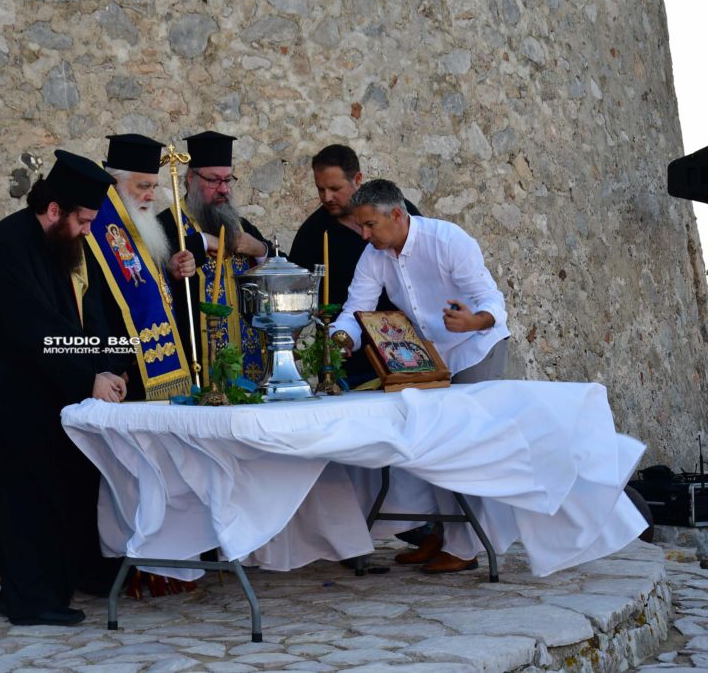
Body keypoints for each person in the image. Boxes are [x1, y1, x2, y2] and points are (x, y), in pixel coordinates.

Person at [0, 150, 128, 626]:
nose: (89, 231)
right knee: (25, 496)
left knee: (55, 489)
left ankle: (57, 587)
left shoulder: (50, 243)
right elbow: (35, 331)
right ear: (55, 211)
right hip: (2, 396)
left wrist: (107, 365)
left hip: (37, 391)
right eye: (85, 221)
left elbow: (71, 322)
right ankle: (29, 601)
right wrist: (87, 377)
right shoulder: (6, 249)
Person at [331, 179, 510, 573]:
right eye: (360, 226)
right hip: (428, 359)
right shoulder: (374, 254)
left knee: (461, 446)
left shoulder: (448, 240)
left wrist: (472, 321)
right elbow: (356, 309)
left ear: (397, 215)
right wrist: (341, 338)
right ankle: (439, 533)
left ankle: (464, 549)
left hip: (475, 348)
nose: (364, 234)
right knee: (429, 444)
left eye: (370, 225)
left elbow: (492, 301)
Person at [288, 144, 421, 386]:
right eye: (321, 189)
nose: (327, 197)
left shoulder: (398, 212)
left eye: (335, 188)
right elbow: (297, 300)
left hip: (408, 352)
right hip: (349, 360)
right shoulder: (312, 234)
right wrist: (286, 354)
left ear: (358, 179)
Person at [156, 131, 272, 385]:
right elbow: (162, 272)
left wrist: (260, 249)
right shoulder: (166, 224)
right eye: (214, 181)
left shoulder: (242, 227)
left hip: (251, 372)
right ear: (191, 179)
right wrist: (204, 241)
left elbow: (281, 268)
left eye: (228, 180)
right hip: (196, 368)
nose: (223, 189)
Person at [91, 134, 195, 401]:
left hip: (139, 371)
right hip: (117, 375)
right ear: (115, 183)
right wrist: (115, 365)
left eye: (154, 186)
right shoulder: (94, 228)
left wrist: (170, 271)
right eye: (143, 186)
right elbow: (97, 306)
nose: (151, 196)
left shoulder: (137, 221)